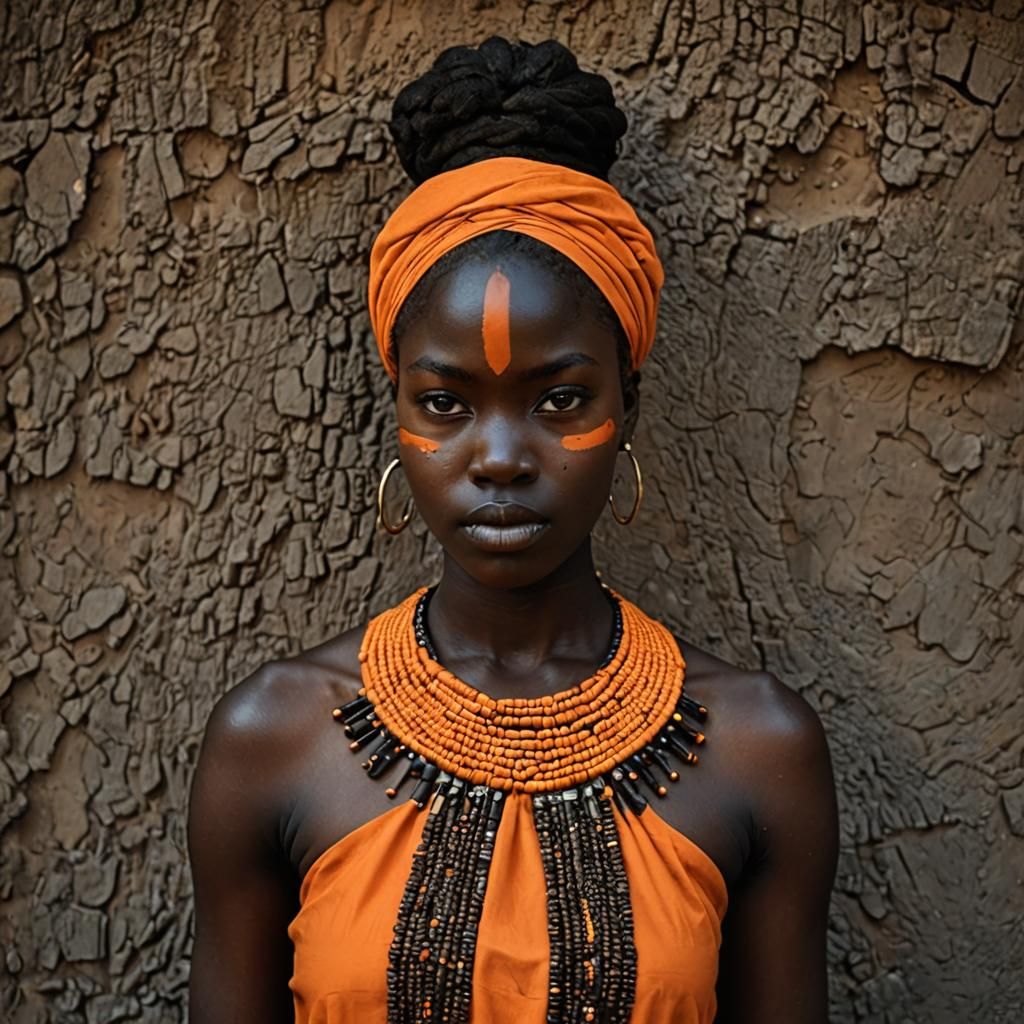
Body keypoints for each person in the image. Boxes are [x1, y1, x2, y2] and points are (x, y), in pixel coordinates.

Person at [187, 36, 839, 1024]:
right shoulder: (270, 742)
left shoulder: (758, 750)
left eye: (560, 397)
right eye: (446, 403)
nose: (499, 456)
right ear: (394, 407)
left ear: (631, 404)